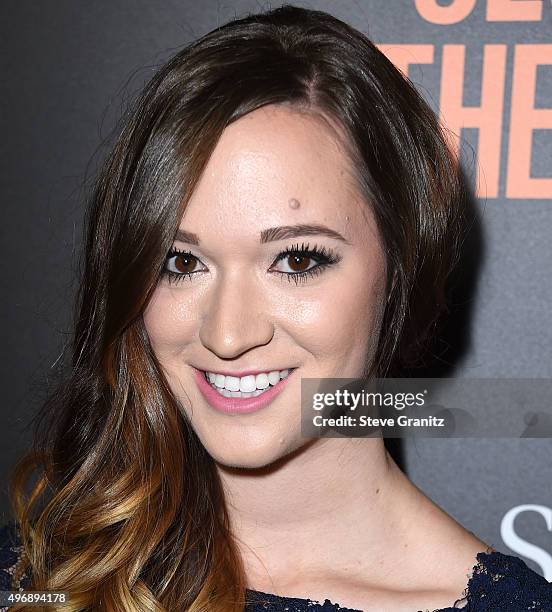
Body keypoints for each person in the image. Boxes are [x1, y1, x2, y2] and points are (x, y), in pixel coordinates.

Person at [1, 4, 551, 611]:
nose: (229, 334)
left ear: (401, 268)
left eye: (296, 261)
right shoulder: (37, 573)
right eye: (181, 263)